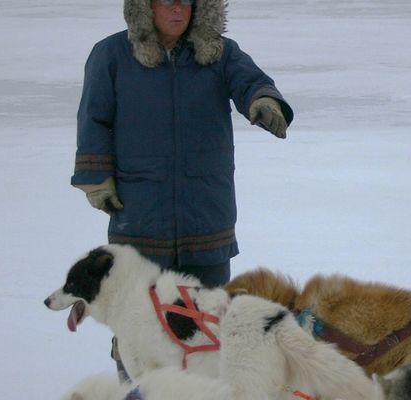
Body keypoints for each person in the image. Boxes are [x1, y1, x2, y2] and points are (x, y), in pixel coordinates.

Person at [70, 0, 293, 381]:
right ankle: (135, 386)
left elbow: (250, 81)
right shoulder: (111, 55)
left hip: (205, 216)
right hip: (140, 218)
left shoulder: (220, 55)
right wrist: (95, 177)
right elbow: (93, 118)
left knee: (206, 320)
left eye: (186, 2)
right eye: (166, 2)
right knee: (139, 318)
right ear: (144, 8)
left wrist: (264, 100)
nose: (178, 10)